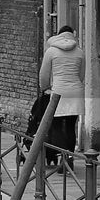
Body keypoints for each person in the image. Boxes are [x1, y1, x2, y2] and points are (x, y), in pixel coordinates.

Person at [38, 23, 85, 158]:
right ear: (72, 35)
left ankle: (60, 155)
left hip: (58, 91)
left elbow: (44, 74)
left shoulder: (51, 51)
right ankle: (69, 157)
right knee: (70, 127)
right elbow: (81, 75)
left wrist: (44, 88)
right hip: (75, 91)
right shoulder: (80, 52)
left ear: (58, 35)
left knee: (56, 125)